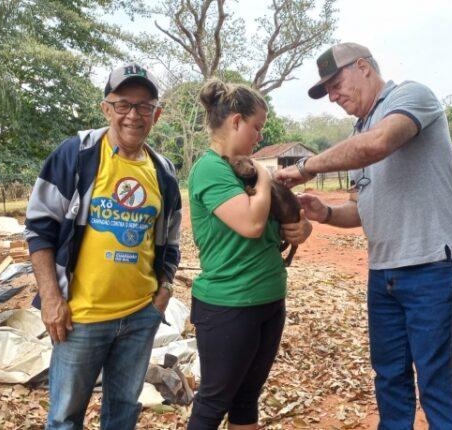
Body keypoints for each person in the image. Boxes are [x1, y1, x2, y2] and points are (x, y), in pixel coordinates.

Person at [275, 42, 452, 429]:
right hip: (384, 271)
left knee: (437, 380)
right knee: (390, 375)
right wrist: (327, 213)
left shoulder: (412, 96)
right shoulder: (358, 131)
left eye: (335, 84)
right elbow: (363, 210)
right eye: (327, 91)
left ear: (362, 67)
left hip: (432, 264)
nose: (333, 96)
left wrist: (306, 167)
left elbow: (378, 145)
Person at [24, 62, 182, 430]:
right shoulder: (76, 155)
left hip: (140, 316)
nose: (133, 115)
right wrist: (51, 298)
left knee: (124, 412)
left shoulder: (164, 172)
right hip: (80, 318)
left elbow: (170, 241)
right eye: (123, 104)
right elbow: (39, 228)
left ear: (156, 115)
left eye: (144, 107)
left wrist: (163, 294)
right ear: (106, 108)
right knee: (65, 418)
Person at [186, 79, 312, 430]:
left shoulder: (248, 172)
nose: (259, 137)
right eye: (257, 127)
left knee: (246, 399)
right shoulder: (210, 169)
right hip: (229, 305)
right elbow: (252, 224)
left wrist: (302, 229)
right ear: (236, 121)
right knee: (213, 402)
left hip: (269, 298)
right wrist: (263, 175)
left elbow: (276, 228)